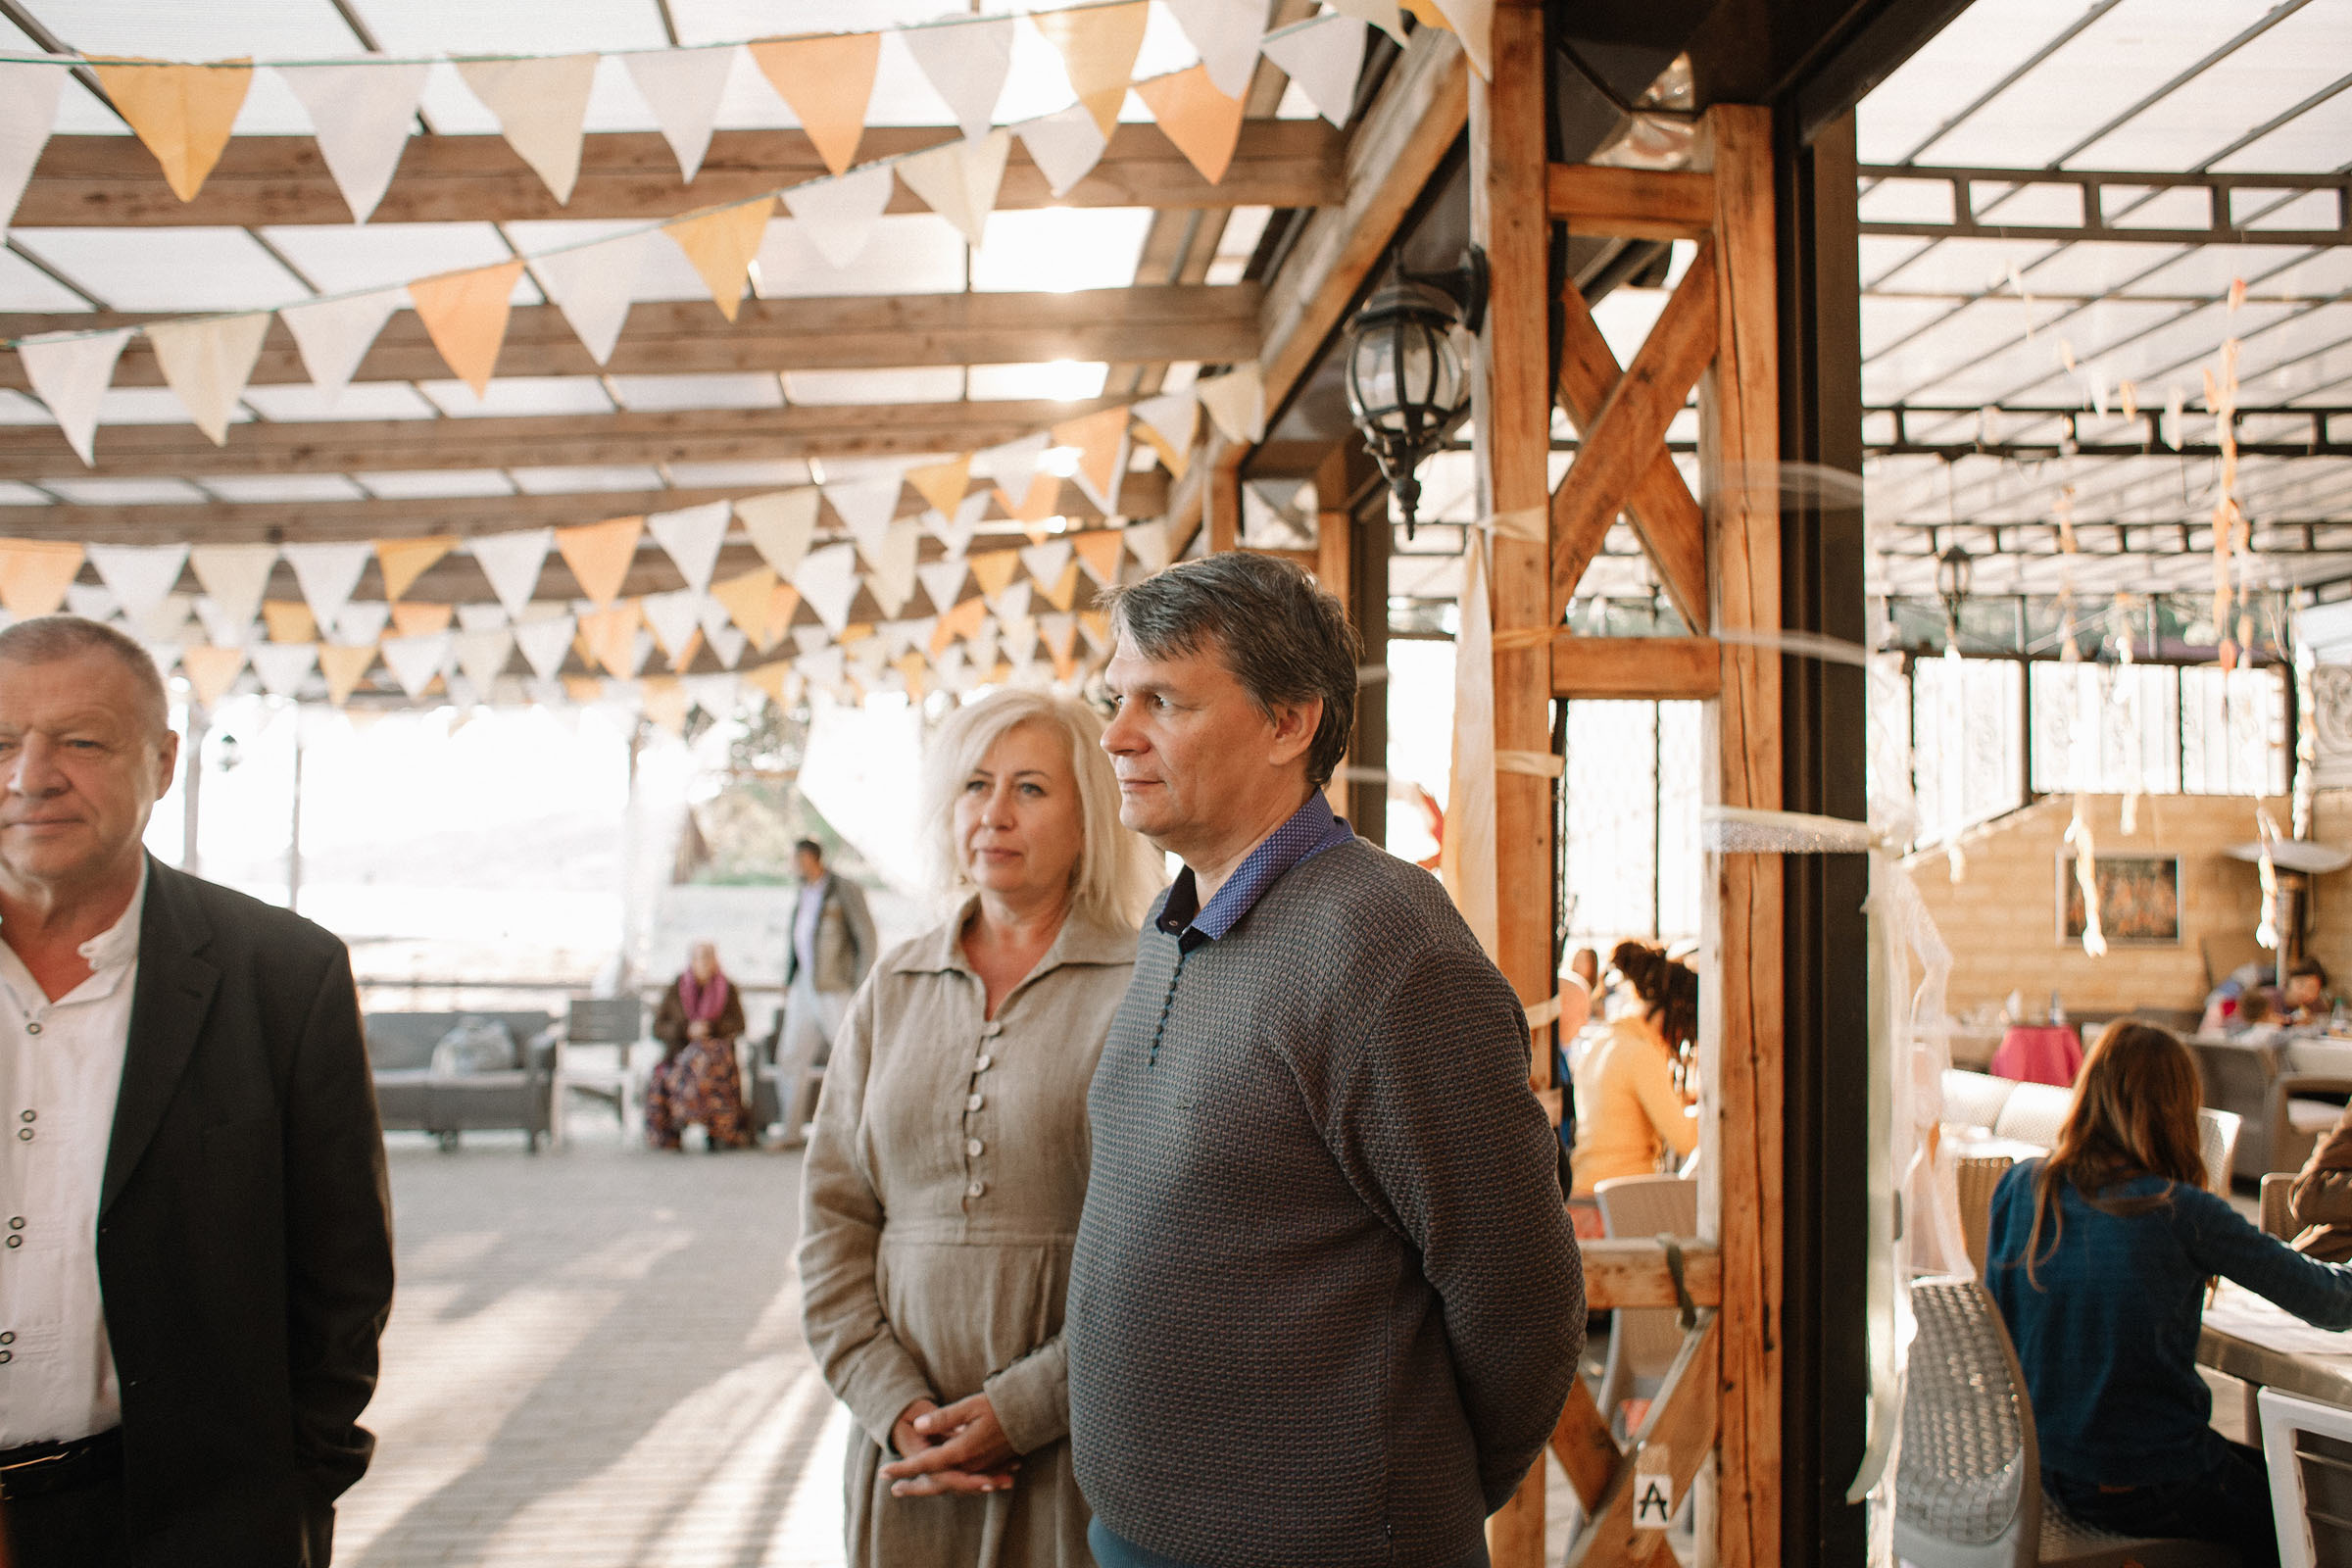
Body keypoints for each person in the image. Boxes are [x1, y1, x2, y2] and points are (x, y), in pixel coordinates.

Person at [1069, 553, 1583, 1568]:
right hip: (1143, 1526)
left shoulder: (1386, 947)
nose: (1117, 736)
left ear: (1288, 721)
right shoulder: (1176, 923)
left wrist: (1413, 1492)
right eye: (1114, 699)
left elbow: (1521, 1290)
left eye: (1162, 701)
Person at [0, 616, 393, 1566]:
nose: (30, 775)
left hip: (183, 1524)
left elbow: (340, 1282)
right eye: (2, 741)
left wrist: (288, 1491)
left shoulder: (282, 976)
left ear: (164, 761)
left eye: (81, 740)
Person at [800, 689, 1157, 1567]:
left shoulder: (1147, 986)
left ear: (1090, 814)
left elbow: (1169, 1251)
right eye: (974, 785)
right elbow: (831, 1220)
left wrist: (1026, 1409)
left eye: (1031, 788)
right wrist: (892, 1407)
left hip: (1082, 1442)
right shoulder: (893, 986)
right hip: (906, 1452)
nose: (994, 813)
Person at [1985, 1020, 2352, 1566]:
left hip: (2043, 1469)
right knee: (2323, 1521)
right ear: (2178, 1111)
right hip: (2145, 1480)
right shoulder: (2178, 1211)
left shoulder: (2022, 1186)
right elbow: (2332, 1303)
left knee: (2281, 1480)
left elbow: (2005, 1326)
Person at [1566, 941, 1698, 1229]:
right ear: (1671, 1013)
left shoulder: (1606, 1040)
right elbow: (1685, 1137)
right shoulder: (1641, 1054)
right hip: (1615, 1207)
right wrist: (1716, 1107)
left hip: (1582, 1199)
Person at [777, 838, 875, 1148]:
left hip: (836, 985)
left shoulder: (844, 889)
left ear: (808, 858)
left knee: (851, 1055)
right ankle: (790, 1132)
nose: (791, 865)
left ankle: (859, 1134)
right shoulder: (803, 892)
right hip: (804, 983)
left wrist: (862, 986)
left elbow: (866, 938)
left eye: (794, 858)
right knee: (791, 1055)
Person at [645, 941, 751, 1151]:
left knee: (705, 1057)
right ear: (691, 961)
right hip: (679, 1053)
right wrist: (686, 1030)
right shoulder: (676, 988)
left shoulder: (727, 989)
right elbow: (657, 1028)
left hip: (716, 1057)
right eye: (699, 957)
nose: (704, 962)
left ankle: (716, 1129)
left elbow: (739, 1025)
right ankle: (678, 1124)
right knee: (693, 1061)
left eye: (708, 956)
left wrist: (711, 1028)